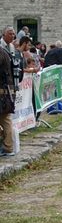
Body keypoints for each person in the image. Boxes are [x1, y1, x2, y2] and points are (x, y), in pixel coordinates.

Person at [0, 26, 17, 156]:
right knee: (5, 120)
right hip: (7, 89)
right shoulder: (5, 51)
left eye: (13, 34)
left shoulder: (2, 52)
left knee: (5, 119)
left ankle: (7, 146)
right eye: (10, 34)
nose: (13, 36)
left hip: (3, 91)